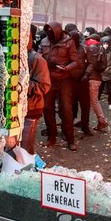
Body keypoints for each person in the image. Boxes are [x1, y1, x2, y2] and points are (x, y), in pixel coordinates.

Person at [39, 21, 79, 151]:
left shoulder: (69, 42)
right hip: (49, 79)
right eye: (48, 32)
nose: (49, 35)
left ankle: (70, 139)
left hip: (64, 80)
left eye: (52, 32)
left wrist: (67, 68)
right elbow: (38, 56)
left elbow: (75, 61)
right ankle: (52, 137)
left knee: (66, 110)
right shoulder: (44, 41)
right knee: (47, 108)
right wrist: (43, 61)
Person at [21, 25, 51, 154]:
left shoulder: (37, 59)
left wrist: (22, 85)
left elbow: (44, 86)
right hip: (17, 109)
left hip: (32, 108)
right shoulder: (17, 58)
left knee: (26, 148)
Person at [68, 30, 93, 136]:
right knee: (70, 106)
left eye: (75, 39)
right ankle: (68, 127)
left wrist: (86, 74)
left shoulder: (85, 49)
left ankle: (85, 126)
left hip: (83, 82)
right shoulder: (67, 49)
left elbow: (91, 63)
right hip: (70, 82)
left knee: (85, 106)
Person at [83, 34, 109, 132]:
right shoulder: (101, 48)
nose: (87, 41)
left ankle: (102, 121)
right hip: (97, 78)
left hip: (92, 78)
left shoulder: (92, 48)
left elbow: (89, 63)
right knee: (90, 101)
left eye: (89, 39)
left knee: (94, 101)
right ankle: (84, 120)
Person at [99, 36, 111, 112]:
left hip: (110, 74)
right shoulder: (100, 51)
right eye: (104, 43)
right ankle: (96, 103)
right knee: (99, 90)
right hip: (101, 74)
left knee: (110, 91)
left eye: (107, 43)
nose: (105, 45)